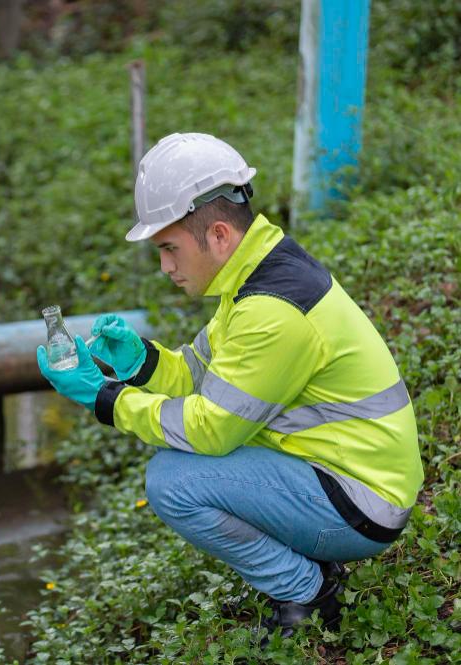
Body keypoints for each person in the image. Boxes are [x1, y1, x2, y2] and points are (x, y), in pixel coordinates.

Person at [36, 132, 422, 640]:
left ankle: (306, 590)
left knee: (172, 483)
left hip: (361, 503)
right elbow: (199, 375)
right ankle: (309, 569)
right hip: (342, 473)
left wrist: (104, 399)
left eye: (170, 248)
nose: (166, 267)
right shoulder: (255, 277)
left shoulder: (270, 312)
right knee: (182, 467)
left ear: (218, 235)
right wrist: (139, 362)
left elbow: (212, 430)